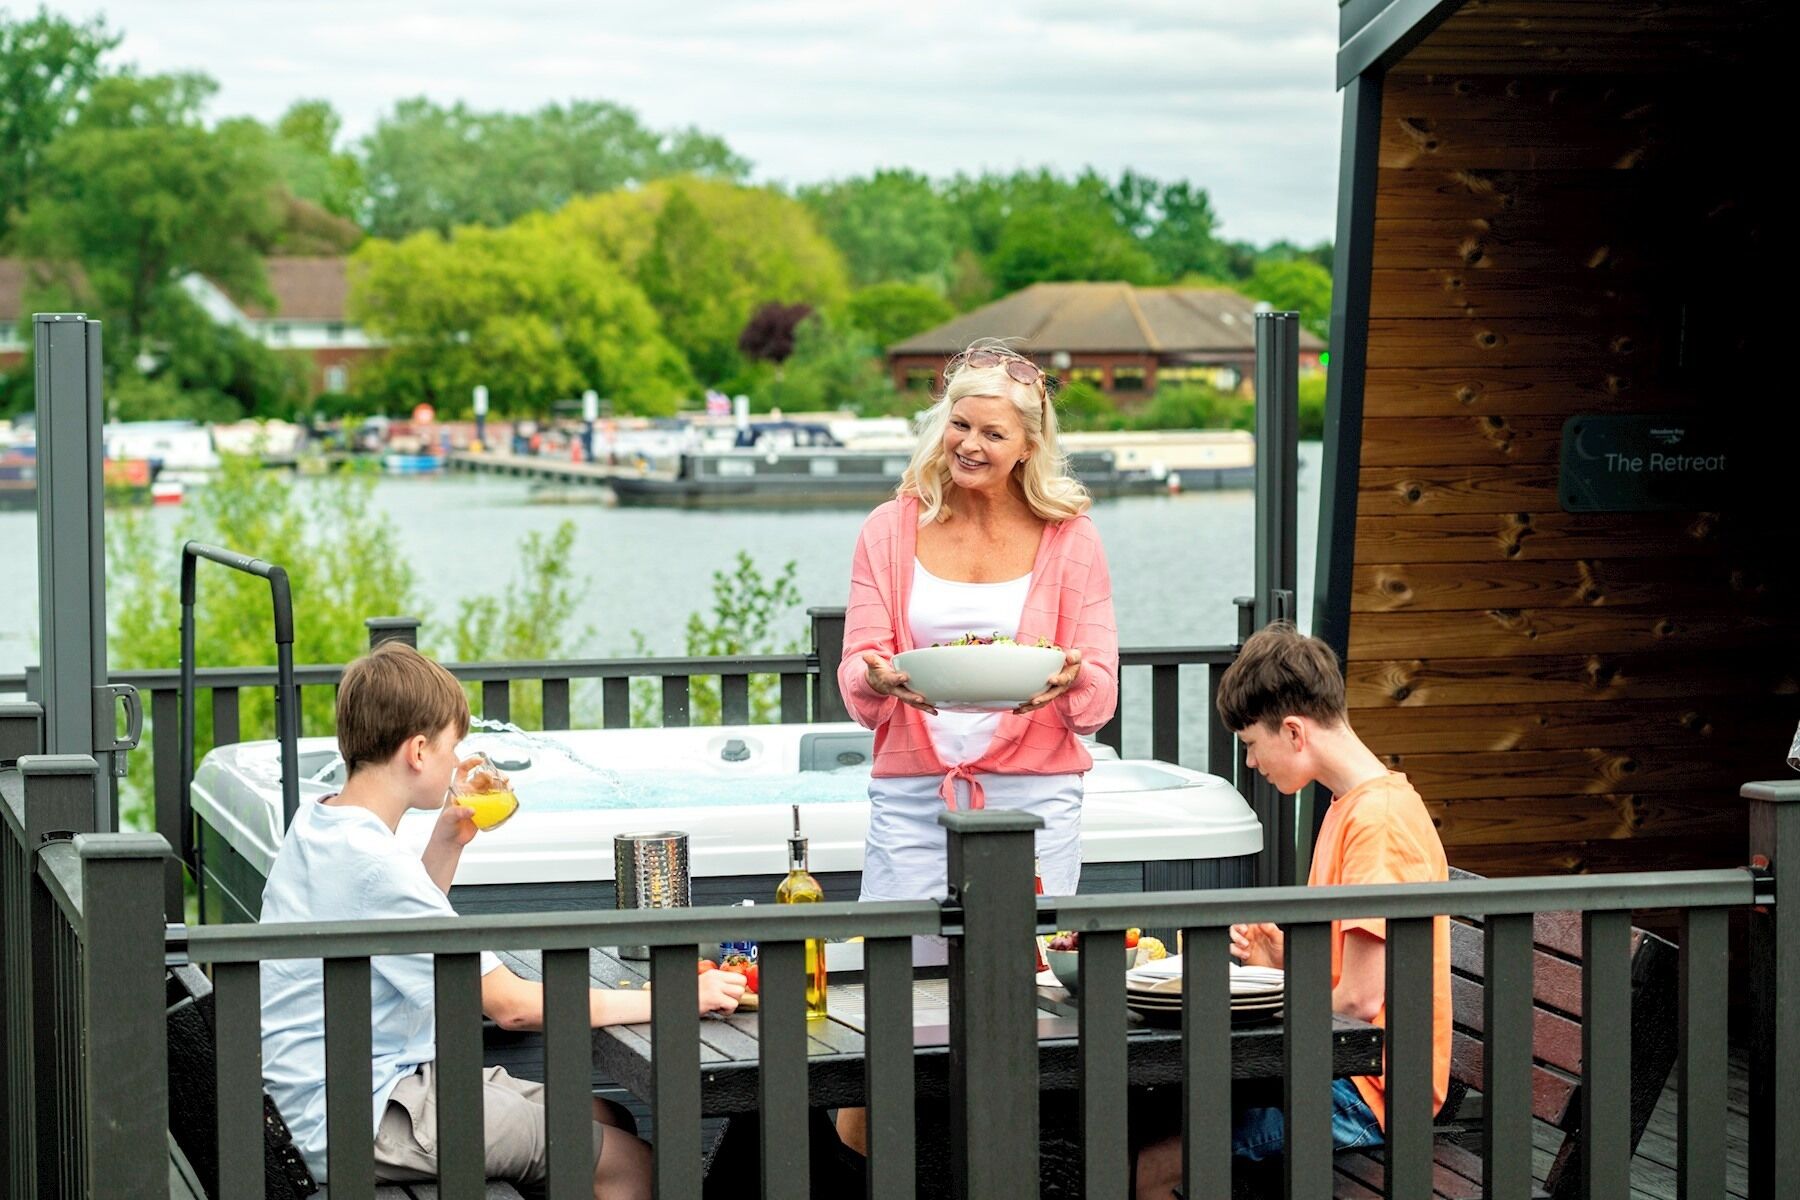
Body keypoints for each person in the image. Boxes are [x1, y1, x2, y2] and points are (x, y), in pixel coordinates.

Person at [258, 642, 744, 1199]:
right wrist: (683, 997)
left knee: (608, 1116)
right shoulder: (373, 863)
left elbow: (392, 933)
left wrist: (446, 842)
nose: (455, 761)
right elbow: (511, 1009)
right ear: (418, 751)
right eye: (451, 745)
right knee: (630, 1165)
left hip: (334, 1095)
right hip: (361, 1117)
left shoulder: (322, 821)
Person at [833, 339, 1119, 1151]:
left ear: (1029, 444)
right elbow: (857, 677)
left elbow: (1099, 695)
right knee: (890, 1005)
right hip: (913, 795)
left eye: (992, 433)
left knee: (1014, 1001)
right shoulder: (889, 530)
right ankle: (880, 1163)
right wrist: (879, 676)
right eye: (958, 424)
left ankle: (999, 1161)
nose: (969, 444)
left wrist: (1068, 678)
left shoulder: (1073, 539)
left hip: (1033, 799)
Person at [1132, 622, 1452, 1199]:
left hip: (1368, 1095)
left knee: (1155, 1161)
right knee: (1151, 1117)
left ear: (1294, 731)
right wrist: (1282, 964)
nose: (1252, 763)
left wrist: (1271, 991)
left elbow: (1358, 1002)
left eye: (1252, 745)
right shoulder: (1352, 808)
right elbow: (1356, 986)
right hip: (1345, 1068)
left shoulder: (1376, 824)